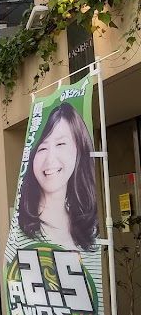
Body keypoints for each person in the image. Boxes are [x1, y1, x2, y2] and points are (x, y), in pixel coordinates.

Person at [18, 102, 98, 251]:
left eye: (60, 144)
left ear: (79, 150)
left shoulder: (89, 231)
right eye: (42, 148)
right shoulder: (20, 232)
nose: (50, 158)